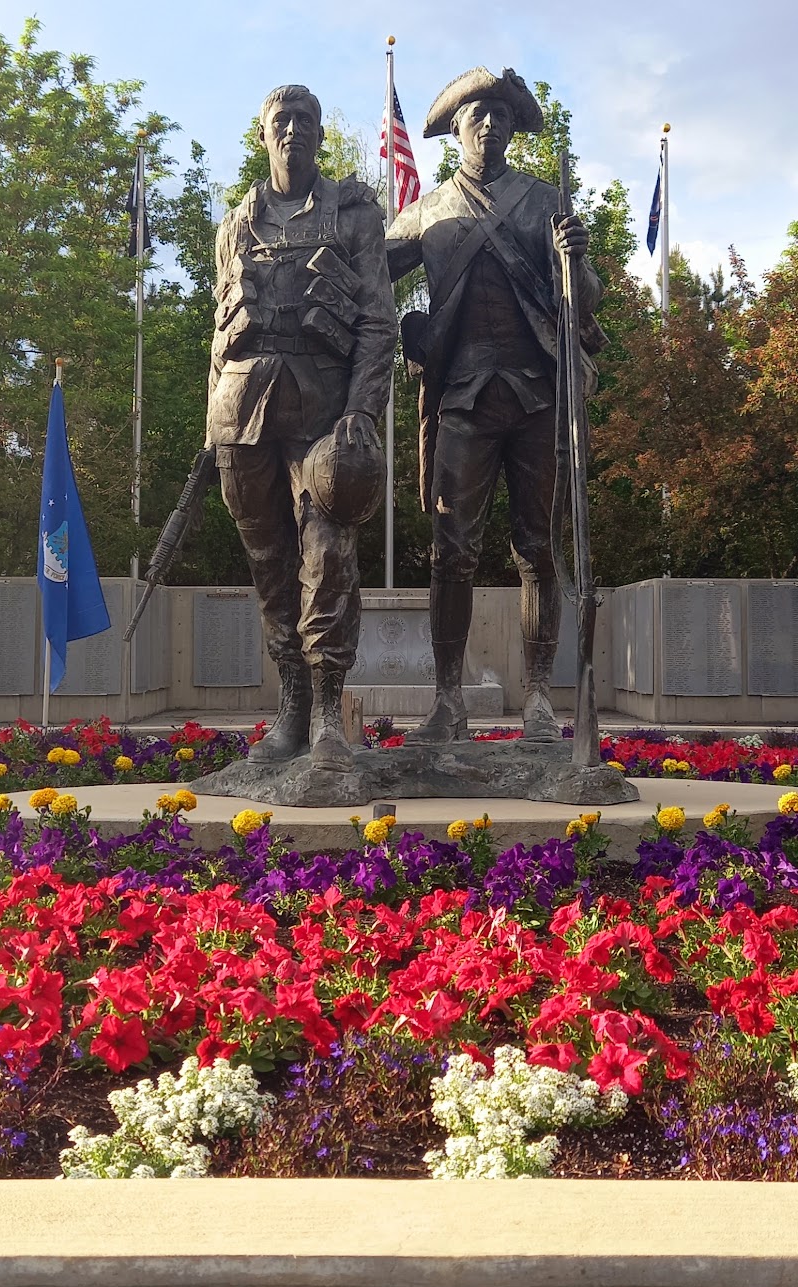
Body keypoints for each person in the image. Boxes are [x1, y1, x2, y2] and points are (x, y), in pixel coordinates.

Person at [386, 67, 606, 743]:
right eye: (477, 117)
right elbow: (364, 279)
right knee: (450, 551)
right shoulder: (424, 213)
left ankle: (539, 695)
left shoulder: (544, 203)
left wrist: (577, 260)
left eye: (500, 119)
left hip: (536, 397)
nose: (489, 127)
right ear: (455, 130)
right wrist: (404, 331)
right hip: (461, 399)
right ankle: (447, 698)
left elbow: (585, 298)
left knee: (536, 549)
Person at [207, 84, 398, 770]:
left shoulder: (351, 216)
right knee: (269, 568)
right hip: (242, 408)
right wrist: (211, 427)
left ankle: (325, 713)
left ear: (319, 134)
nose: (293, 130)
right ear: (262, 135)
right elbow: (219, 332)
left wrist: (361, 409)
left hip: (323, 408)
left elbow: (378, 322)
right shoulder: (234, 224)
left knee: (328, 557)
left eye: (304, 121)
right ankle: (289, 705)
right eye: (280, 121)